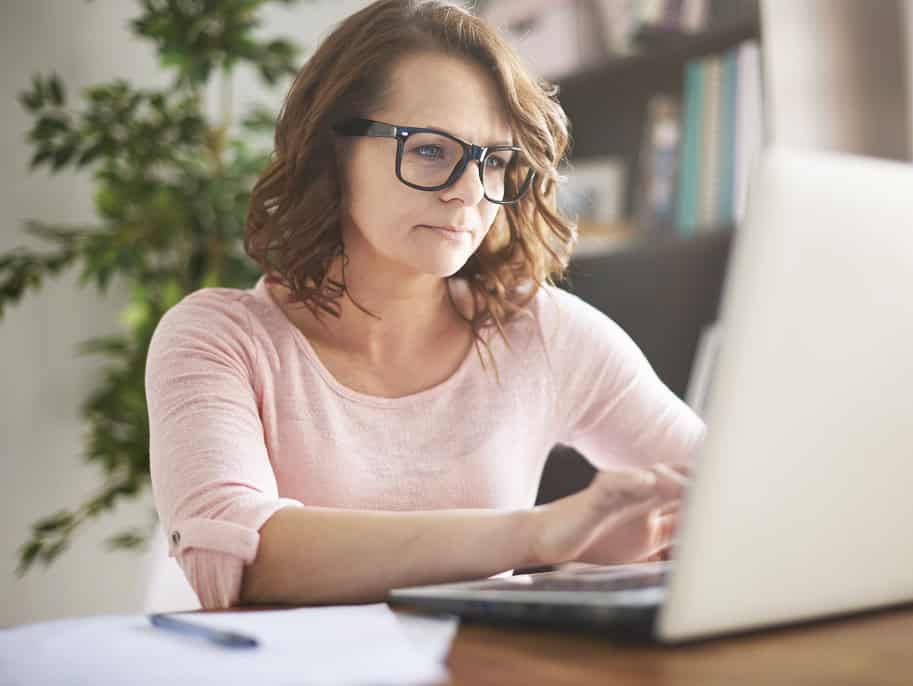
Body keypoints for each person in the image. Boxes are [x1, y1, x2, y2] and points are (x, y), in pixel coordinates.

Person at [146, 0, 706, 610]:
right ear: (331, 149)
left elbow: (729, 488)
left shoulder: (543, 331)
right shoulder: (218, 338)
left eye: (495, 160)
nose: (470, 192)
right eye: (432, 150)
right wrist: (539, 533)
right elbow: (240, 562)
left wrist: (631, 546)